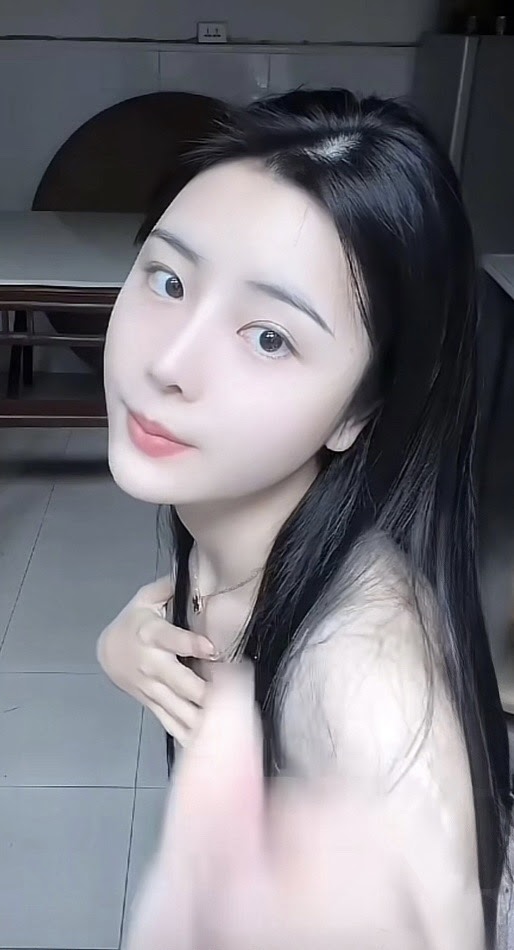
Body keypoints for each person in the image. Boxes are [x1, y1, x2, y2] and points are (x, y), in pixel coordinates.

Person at [97, 88, 512, 948]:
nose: (169, 363)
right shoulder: (248, 524)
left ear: (359, 411)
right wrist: (124, 642)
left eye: (269, 337)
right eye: (168, 281)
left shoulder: (363, 686)